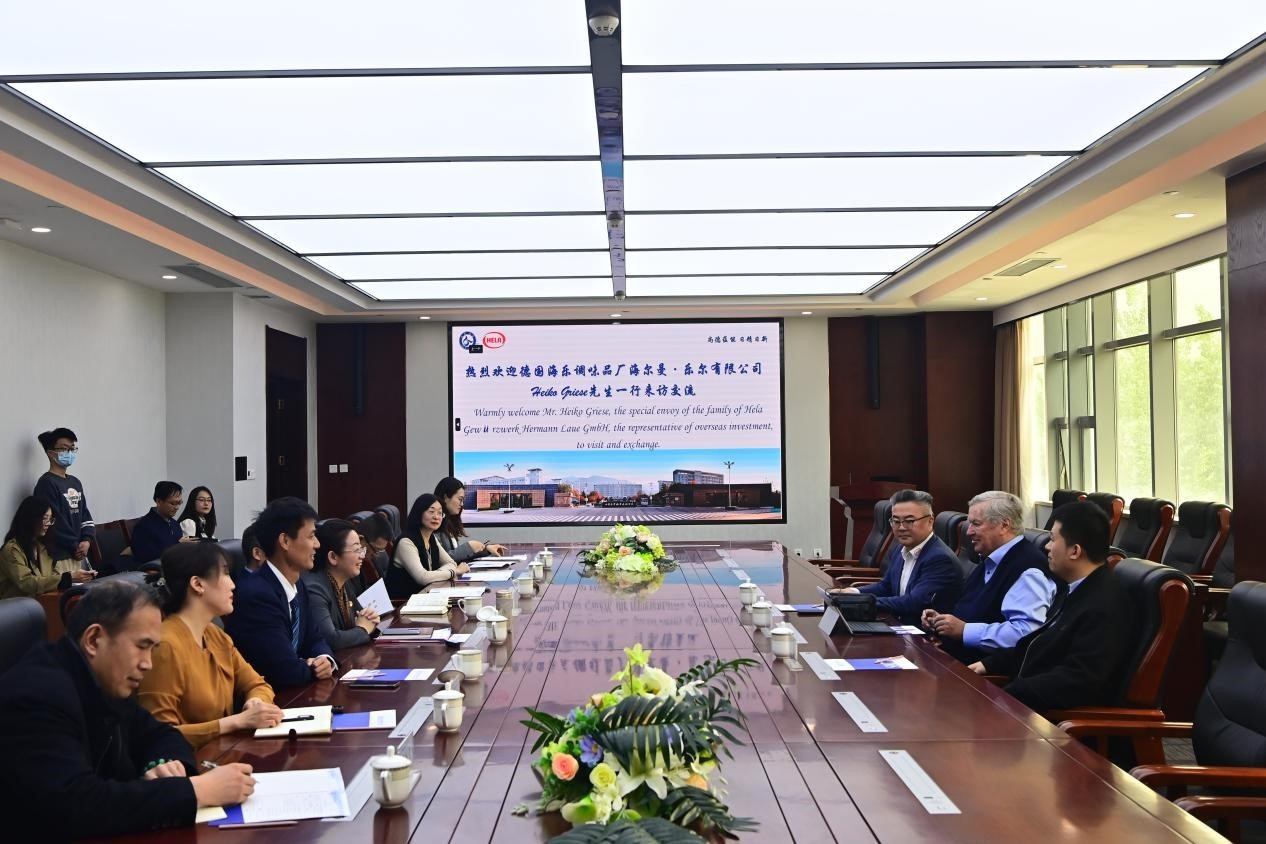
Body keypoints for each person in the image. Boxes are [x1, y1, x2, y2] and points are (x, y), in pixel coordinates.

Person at [0, 578, 256, 839]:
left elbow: (162, 733)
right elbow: (76, 805)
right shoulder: (36, 696)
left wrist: (164, 763)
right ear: (94, 639)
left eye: (152, 649)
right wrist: (196, 791)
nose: (148, 664)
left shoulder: (104, 679)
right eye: (141, 647)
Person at [969, 501, 1138, 711]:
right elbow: (1040, 644)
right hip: (1028, 706)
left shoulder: (1104, 606)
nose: (1047, 547)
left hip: (1054, 722)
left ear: (1075, 551)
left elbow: (1078, 680)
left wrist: (1008, 696)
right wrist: (989, 664)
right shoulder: (1075, 588)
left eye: (1052, 539)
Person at [139, 543, 284, 748]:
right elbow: (159, 735)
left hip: (224, 752)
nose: (233, 585)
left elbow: (257, 684)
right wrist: (235, 722)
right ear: (198, 584)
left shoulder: (215, 634)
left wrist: (256, 702)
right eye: (225, 574)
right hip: (188, 762)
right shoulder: (165, 646)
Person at [921, 490, 1056, 663]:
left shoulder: (1028, 570)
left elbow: (1025, 633)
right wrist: (941, 621)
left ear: (1004, 525)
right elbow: (975, 613)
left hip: (978, 673)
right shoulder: (990, 559)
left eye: (976, 524)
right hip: (951, 658)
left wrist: (964, 630)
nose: (969, 532)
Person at [223, 497, 337, 687]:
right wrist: (312, 669)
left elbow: (315, 638)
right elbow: (284, 671)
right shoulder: (257, 595)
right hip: (265, 698)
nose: (317, 544)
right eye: (311, 536)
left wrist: (324, 659)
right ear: (285, 541)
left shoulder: (298, 586)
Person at [832, 490, 963, 625]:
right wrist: (853, 592)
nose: (901, 527)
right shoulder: (901, 548)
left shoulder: (940, 559)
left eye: (909, 521)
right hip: (899, 623)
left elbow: (913, 603)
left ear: (930, 521)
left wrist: (859, 602)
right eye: (895, 521)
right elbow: (886, 586)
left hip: (922, 633)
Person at [303, 519, 381, 649]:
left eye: (361, 549)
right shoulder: (315, 589)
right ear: (333, 557)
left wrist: (370, 619)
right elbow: (330, 640)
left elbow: (363, 618)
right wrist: (363, 629)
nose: (362, 556)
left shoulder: (344, 581)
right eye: (356, 550)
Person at [0, 496, 94, 598]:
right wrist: (67, 578)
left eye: (50, 519)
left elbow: (47, 579)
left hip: (38, 602)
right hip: (14, 605)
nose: (48, 524)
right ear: (30, 519)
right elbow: (27, 584)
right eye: (45, 518)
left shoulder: (42, 547)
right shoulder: (12, 550)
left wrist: (74, 577)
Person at [385, 493, 469, 600]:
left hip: (425, 597)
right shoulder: (406, 542)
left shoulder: (431, 537)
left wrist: (432, 575)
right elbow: (422, 578)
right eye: (431, 512)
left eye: (440, 513)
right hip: (404, 603)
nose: (436, 517)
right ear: (419, 513)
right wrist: (453, 572)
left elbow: (451, 563)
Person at [33, 426, 95, 565]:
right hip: (58, 556)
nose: (70, 453)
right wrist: (74, 545)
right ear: (51, 453)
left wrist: (86, 540)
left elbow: (85, 515)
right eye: (64, 448)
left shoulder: (75, 482)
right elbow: (52, 522)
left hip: (78, 553)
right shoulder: (46, 483)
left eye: (72, 449)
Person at [434, 476, 507, 562]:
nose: (462, 504)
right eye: (460, 499)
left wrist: (486, 549)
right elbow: (440, 561)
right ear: (446, 497)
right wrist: (469, 547)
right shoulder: (434, 524)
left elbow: (458, 557)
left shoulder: (448, 523)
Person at [131, 481, 190, 563]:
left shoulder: (174, 524)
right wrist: (177, 545)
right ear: (158, 501)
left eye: (179, 503)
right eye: (173, 503)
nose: (177, 507)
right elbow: (146, 557)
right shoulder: (144, 526)